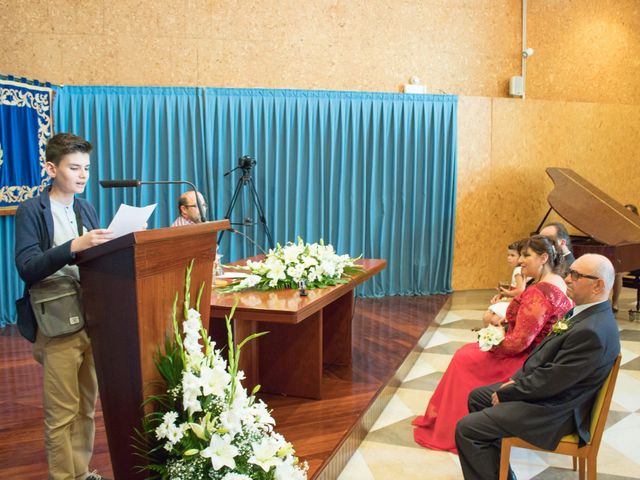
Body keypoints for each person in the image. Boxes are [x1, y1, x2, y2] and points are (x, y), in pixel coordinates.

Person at [455, 253, 620, 480]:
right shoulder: (586, 313)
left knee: (468, 430)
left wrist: (511, 391)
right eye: (569, 272)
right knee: (478, 396)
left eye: (576, 275)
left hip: (556, 412)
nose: (568, 279)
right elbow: (545, 359)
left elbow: (553, 380)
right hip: (552, 395)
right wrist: (516, 381)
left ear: (598, 285)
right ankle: (499, 474)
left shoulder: (593, 330)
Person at [412, 235, 572, 453]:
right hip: (538, 353)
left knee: (464, 358)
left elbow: (518, 343)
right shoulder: (558, 282)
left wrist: (493, 342)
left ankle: (455, 430)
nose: (521, 261)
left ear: (544, 257)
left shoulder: (539, 292)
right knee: (467, 353)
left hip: (525, 360)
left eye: (527, 255)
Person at [14, 133, 114, 480]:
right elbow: (27, 266)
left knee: (86, 408)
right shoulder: (31, 210)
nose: (83, 174)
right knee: (62, 413)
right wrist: (74, 244)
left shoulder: (86, 207)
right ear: (51, 168)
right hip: (55, 322)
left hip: (92, 318)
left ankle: (82, 472)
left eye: (86, 167)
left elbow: (93, 260)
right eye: (74, 167)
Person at [611, 203, 639, 311]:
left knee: (617, 273)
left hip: (634, 260)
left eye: (629, 213)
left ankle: (615, 303)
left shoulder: (637, 227)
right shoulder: (618, 227)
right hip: (621, 259)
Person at [491, 239, 528, 304]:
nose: (509, 258)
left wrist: (507, 293)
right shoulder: (521, 269)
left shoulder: (518, 270)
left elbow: (520, 290)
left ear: (521, 257)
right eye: (508, 255)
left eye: (512, 255)